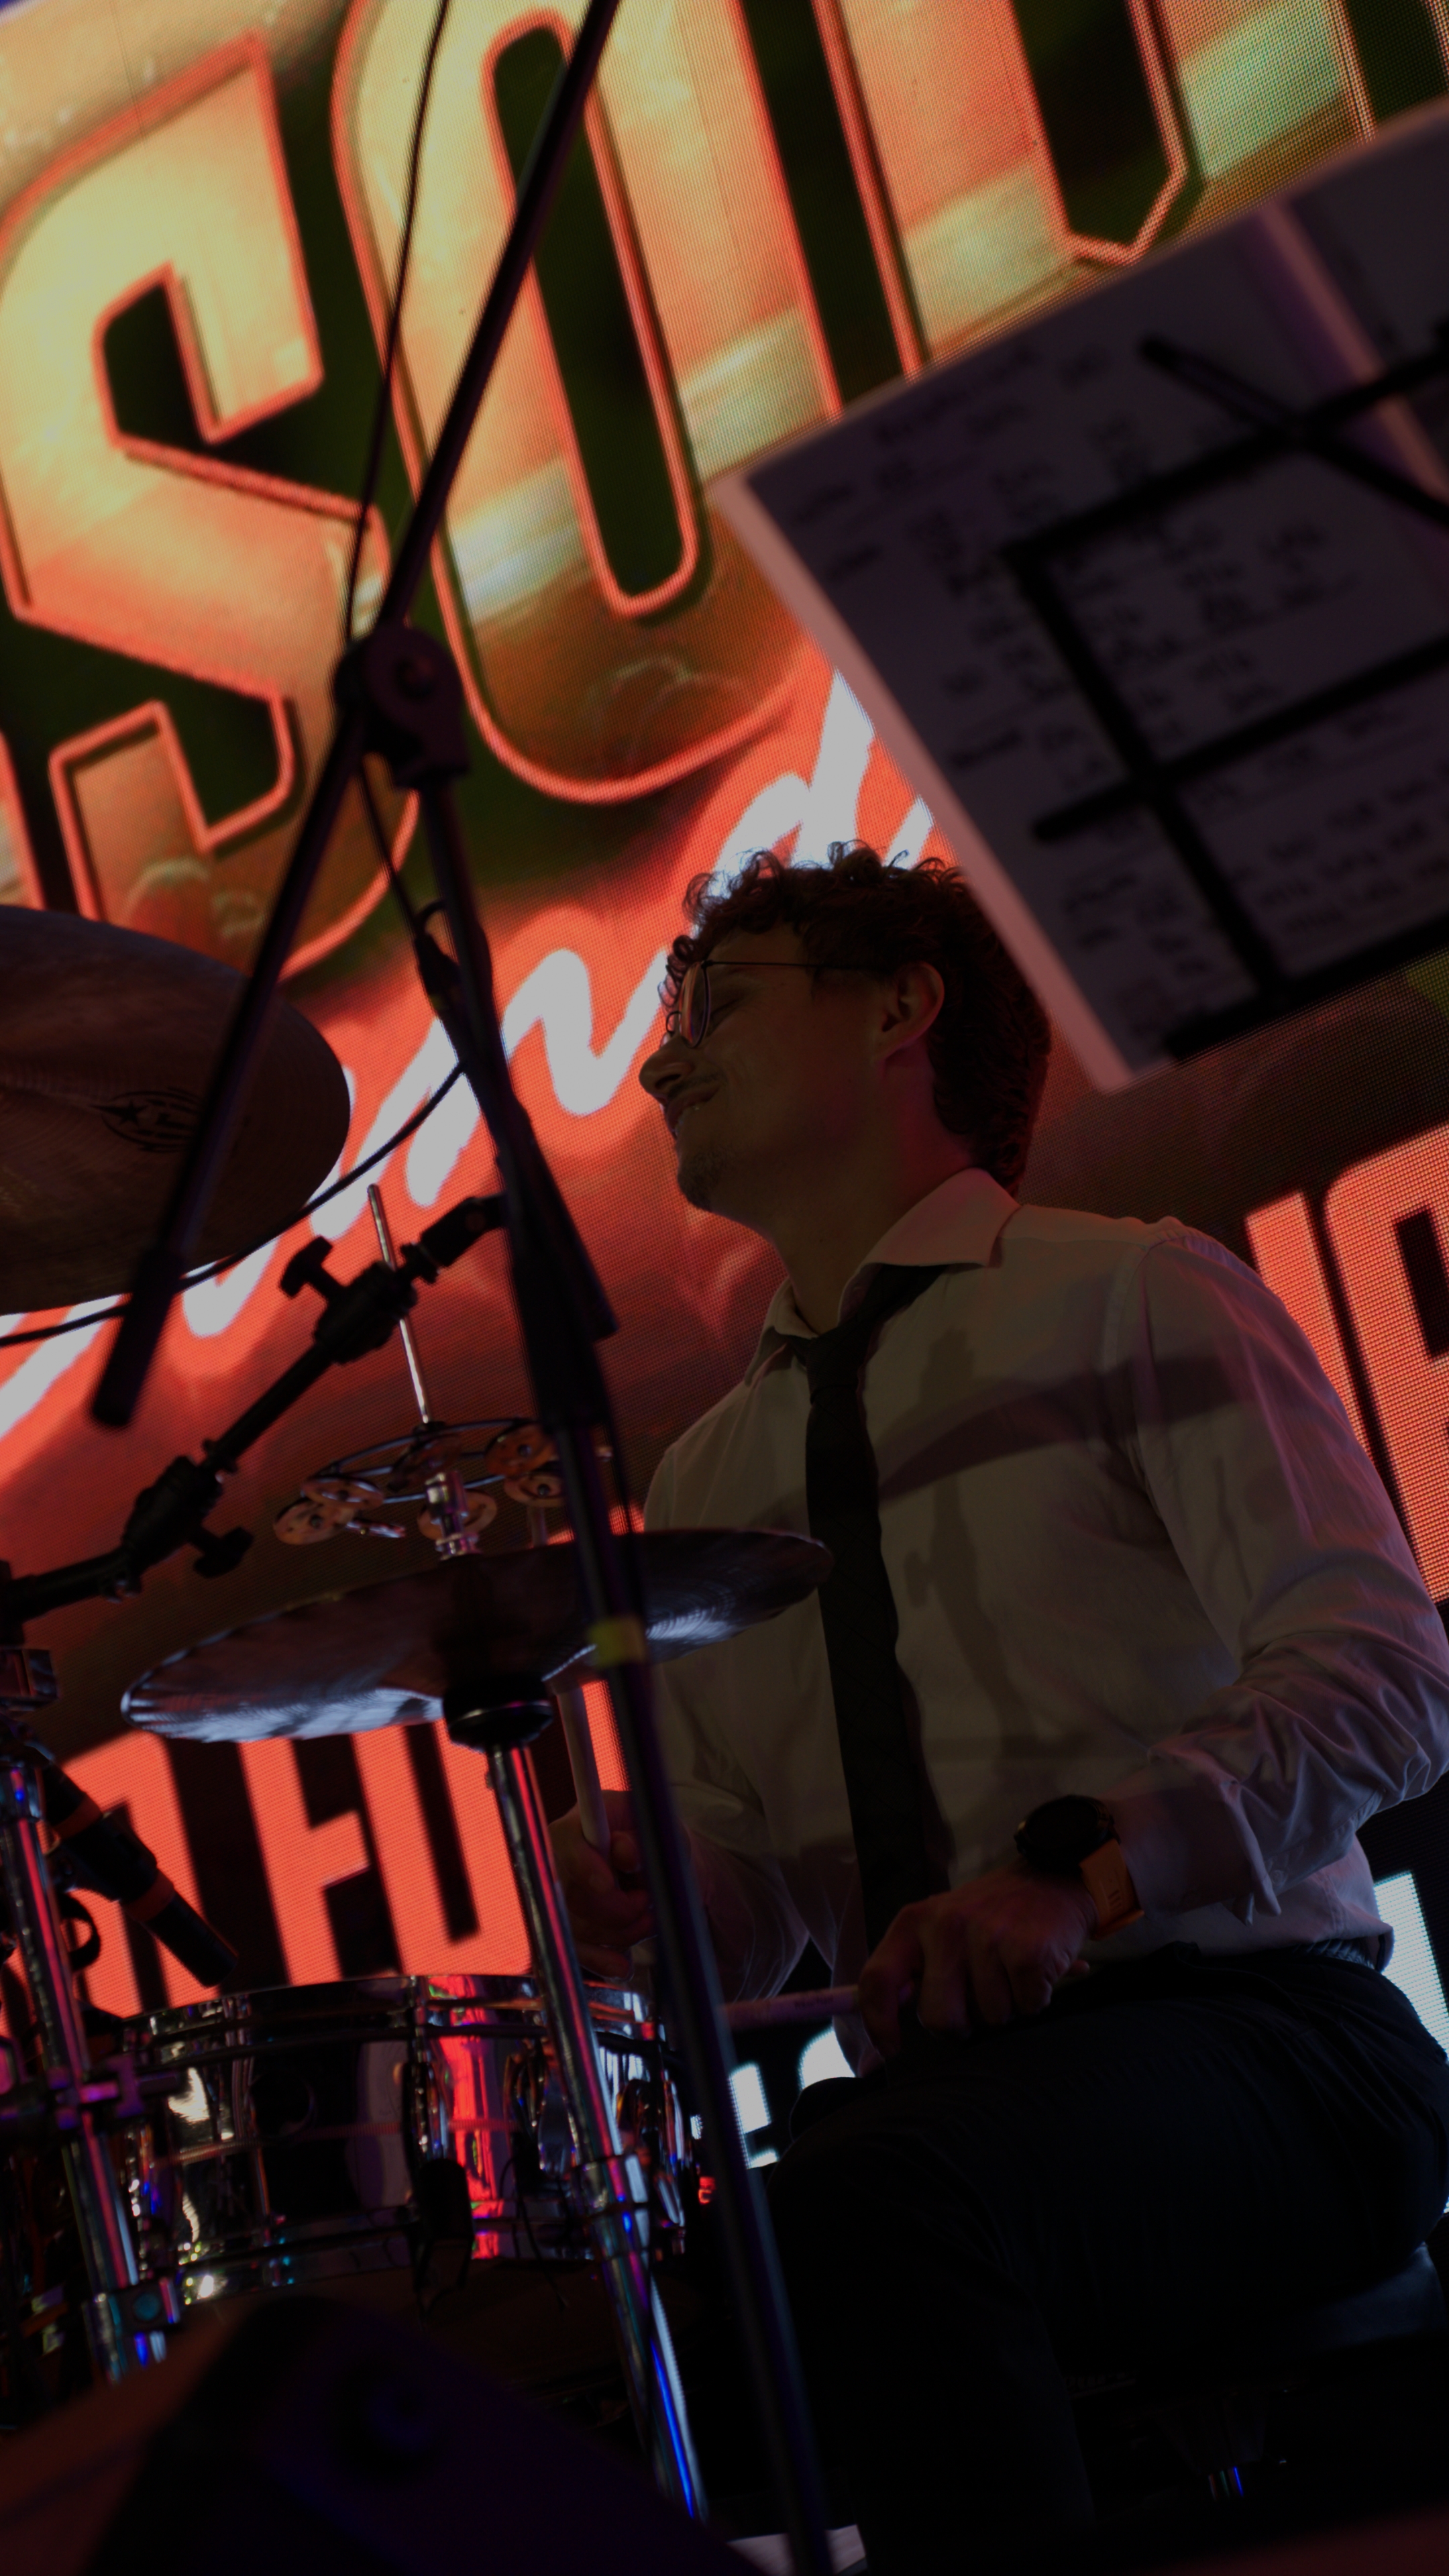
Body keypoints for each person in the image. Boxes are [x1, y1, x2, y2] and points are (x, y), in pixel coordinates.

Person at [552, 843, 1449, 2569]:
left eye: (715, 1006)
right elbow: (754, 1899)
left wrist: (1078, 1868)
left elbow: (1384, 1678)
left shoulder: (1135, 1292)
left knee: (876, 2206)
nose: (660, 1065)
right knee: (625, 2337)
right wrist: (651, 1905)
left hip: (1278, 2047)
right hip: (942, 2115)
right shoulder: (710, 1478)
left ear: (903, 1006)